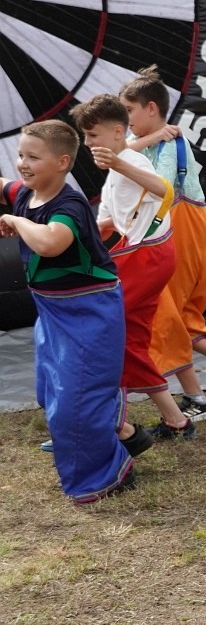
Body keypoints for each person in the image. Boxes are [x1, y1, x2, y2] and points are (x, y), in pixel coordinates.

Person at [0, 120, 150, 502]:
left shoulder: (69, 205)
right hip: (51, 309)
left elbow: (51, 243)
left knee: (75, 400)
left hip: (89, 311)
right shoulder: (24, 192)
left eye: (33, 157)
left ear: (63, 162)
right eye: (20, 155)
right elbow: (3, 184)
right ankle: (126, 435)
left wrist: (15, 220)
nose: (23, 163)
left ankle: (107, 474)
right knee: (51, 391)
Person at [120, 65, 206, 416]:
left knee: (166, 313)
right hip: (185, 229)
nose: (126, 118)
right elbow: (124, 155)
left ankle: (196, 398)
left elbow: (160, 187)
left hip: (183, 230)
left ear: (151, 108)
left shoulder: (172, 142)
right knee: (178, 311)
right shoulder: (151, 144)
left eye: (129, 110)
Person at [69, 94, 197, 441]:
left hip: (149, 253)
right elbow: (111, 222)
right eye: (85, 137)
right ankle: (176, 420)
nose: (88, 144)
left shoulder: (130, 161)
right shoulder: (117, 169)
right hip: (143, 252)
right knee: (131, 339)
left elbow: (165, 190)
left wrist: (121, 163)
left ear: (115, 132)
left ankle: (109, 423)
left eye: (93, 136)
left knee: (105, 330)